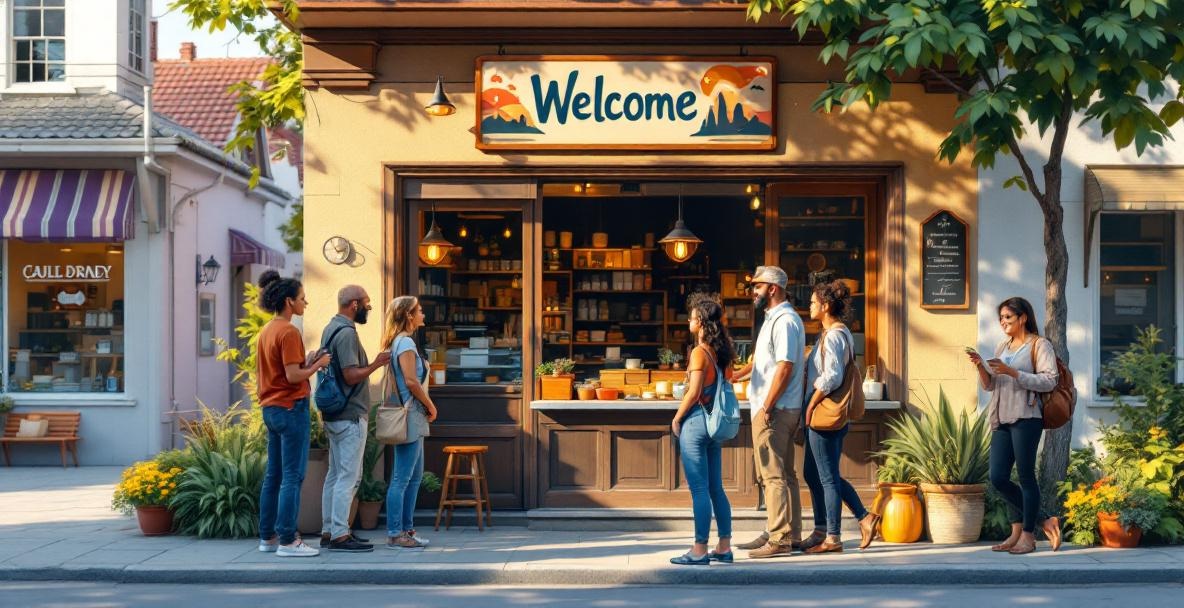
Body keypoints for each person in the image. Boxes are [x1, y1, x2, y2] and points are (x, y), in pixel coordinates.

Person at [967, 296, 1062, 554]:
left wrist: (1014, 373)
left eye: (1008, 317)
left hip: (1026, 417)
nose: (1003, 322)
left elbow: (1049, 381)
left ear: (1023, 318)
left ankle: (1028, 536)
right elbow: (990, 386)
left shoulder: (1039, 345)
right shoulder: (1002, 347)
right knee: (998, 477)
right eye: (1001, 318)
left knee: (1026, 476)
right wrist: (981, 367)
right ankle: (1038, 523)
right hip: (1001, 418)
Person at [732, 266, 806, 559]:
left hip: (775, 409)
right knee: (786, 475)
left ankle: (780, 537)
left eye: (757, 287)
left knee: (773, 476)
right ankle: (791, 532)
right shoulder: (774, 319)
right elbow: (767, 360)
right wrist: (739, 374)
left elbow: (785, 366)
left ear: (772, 289)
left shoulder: (785, 320)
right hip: (778, 407)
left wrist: (767, 406)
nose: (753, 292)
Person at [255, 270, 330, 558]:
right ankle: (288, 540)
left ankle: (268, 537)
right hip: (290, 407)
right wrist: (318, 364)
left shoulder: (268, 330)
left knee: (273, 475)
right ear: (289, 301)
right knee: (292, 476)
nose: (305, 303)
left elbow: (285, 370)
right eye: (302, 299)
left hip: (271, 408)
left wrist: (307, 361)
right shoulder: (288, 331)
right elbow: (294, 375)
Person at [801, 281, 879, 554]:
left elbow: (832, 377)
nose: (809, 306)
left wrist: (811, 405)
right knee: (813, 473)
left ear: (824, 306)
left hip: (825, 412)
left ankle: (833, 536)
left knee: (828, 477)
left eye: (812, 303)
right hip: (827, 412)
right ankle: (825, 528)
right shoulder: (834, 333)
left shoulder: (834, 336)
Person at [318, 285, 391, 553]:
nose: (369, 308)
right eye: (366, 303)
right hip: (349, 416)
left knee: (335, 475)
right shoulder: (347, 333)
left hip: (334, 414)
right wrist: (377, 363)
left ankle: (329, 530)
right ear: (353, 305)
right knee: (348, 477)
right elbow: (350, 375)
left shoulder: (330, 328)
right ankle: (339, 534)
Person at [669, 293, 736, 566]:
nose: (689, 320)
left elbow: (694, 391)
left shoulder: (699, 352)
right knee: (715, 488)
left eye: (693, 317)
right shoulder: (722, 352)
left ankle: (698, 549)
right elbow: (729, 380)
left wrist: (677, 418)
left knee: (698, 489)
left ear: (701, 322)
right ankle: (724, 546)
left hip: (696, 423)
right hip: (713, 425)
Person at [381, 296, 439, 550]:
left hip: (413, 415)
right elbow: (411, 381)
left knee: (414, 478)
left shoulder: (402, 342)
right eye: (420, 311)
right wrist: (431, 405)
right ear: (408, 315)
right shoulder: (404, 343)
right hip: (411, 414)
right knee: (402, 478)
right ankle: (396, 532)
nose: (423, 315)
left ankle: (406, 530)